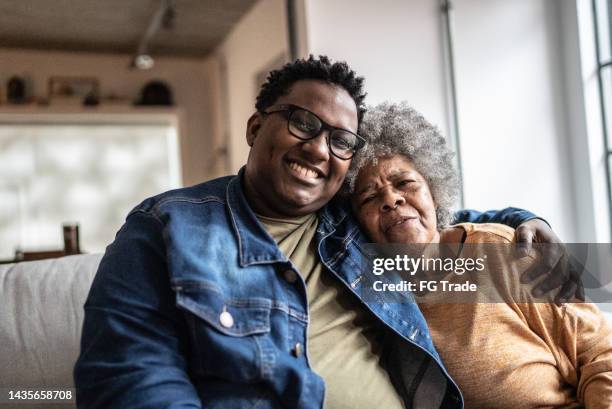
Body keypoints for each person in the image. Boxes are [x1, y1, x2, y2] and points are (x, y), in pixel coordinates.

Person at [75, 56, 569, 409]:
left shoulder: (349, 220)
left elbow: (432, 215)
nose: (318, 150)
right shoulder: (166, 227)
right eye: (303, 123)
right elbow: (129, 379)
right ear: (254, 128)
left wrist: (525, 220)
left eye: (340, 141)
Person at [347, 101, 612, 409]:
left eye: (405, 183)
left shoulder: (506, 251)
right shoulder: (369, 293)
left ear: (434, 190)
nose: (391, 199)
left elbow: (602, 355)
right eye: (369, 196)